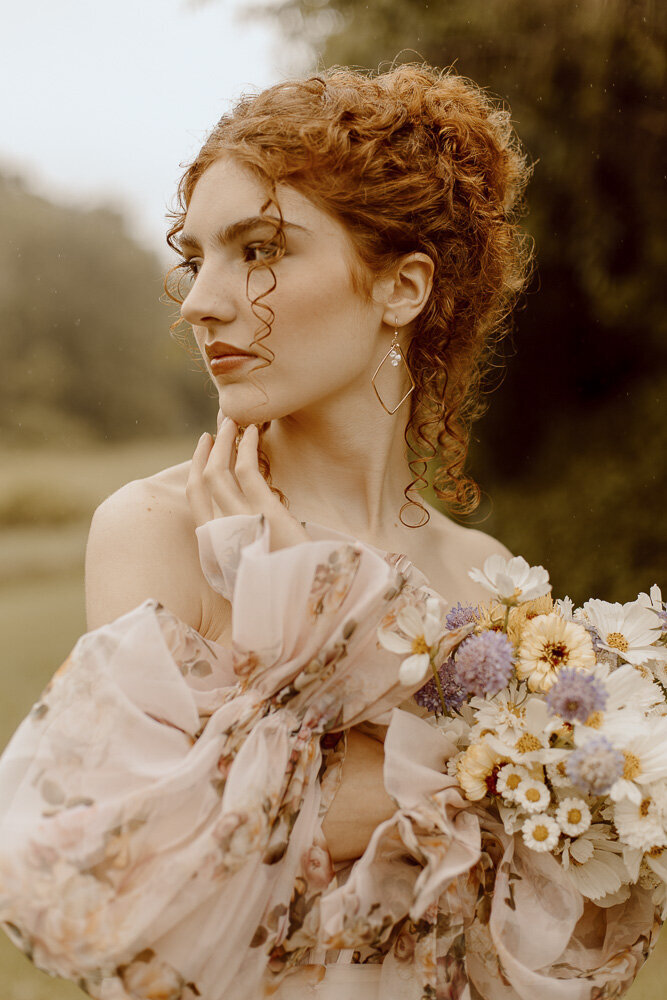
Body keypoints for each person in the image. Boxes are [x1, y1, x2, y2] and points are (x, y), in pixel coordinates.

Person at [1, 63, 659, 1000]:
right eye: (198, 258)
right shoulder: (162, 531)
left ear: (401, 288)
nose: (200, 301)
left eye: (260, 249)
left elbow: (549, 931)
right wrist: (494, 772)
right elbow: (136, 879)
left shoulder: (491, 579)